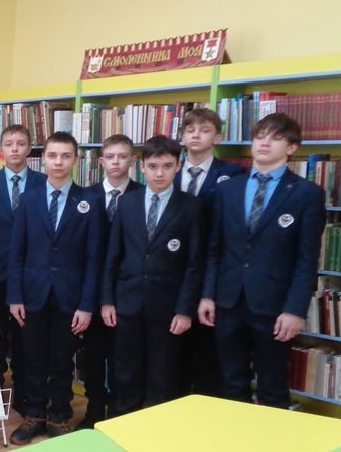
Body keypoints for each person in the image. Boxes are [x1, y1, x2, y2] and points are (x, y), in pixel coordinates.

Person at [199, 113, 326, 409]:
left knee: (272, 386)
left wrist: (295, 310)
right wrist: (207, 295)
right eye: (259, 136)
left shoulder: (307, 194)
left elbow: (307, 259)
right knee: (231, 383)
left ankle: (271, 438)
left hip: (274, 307)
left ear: (292, 147)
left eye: (275, 138)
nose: (264, 143)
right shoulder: (229, 189)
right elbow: (215, 249)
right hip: (228, 301)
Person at [7, 131, 104, 444]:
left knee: (62, 360)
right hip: (32, 295)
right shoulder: (29, 199)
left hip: (70, 298)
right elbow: (17, 252)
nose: (58, 162)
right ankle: (34, 414)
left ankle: (60, 415)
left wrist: (87, 305)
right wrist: (15, 296)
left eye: (65, 156)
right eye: (52, 155)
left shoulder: (89, 202)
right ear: (43, 160)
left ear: (76, 159)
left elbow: (93, 258)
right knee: (33, 359)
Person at [101, 136, 203, 416]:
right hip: (127, 303)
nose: (160, 173)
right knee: (125, 371)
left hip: (168, 307)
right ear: (142, 166)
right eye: (154, 166)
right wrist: (107, 300)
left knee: (163, 374)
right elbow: (113, 255)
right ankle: (123, 424)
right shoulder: (127, 203)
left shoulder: (191, 207)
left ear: (178, 166)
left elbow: (194, 264)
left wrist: (185, 310)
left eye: (167, 166)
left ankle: (158, 429)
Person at [176, 107, 246, 397]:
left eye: (205, 130)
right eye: (190, 130)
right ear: (182, 136)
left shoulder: (232, 175)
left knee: (209, 352)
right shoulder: (168, 170)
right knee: (176, 352)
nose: (196, 135)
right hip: (175, 270)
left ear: (218, 137)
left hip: (213, 269)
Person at [0, 124, 46, 406]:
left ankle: (22, 389)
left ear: (30, 149)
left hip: (31, 271)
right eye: (9, 144)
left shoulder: (43, 182)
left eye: (20, 143)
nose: (15, 149)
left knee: (25, 333)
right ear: (1, 150)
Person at [79, 134, 141, 429]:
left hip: (127, 290)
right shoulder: (86, 196)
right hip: (91, 289)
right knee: (93, 354)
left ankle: (119, 412)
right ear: (101, 161)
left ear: (133, 161)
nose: (116, 162)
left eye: (123, 156)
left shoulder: (143, 195)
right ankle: (93, 409)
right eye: (111, 157)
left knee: (123, 357)